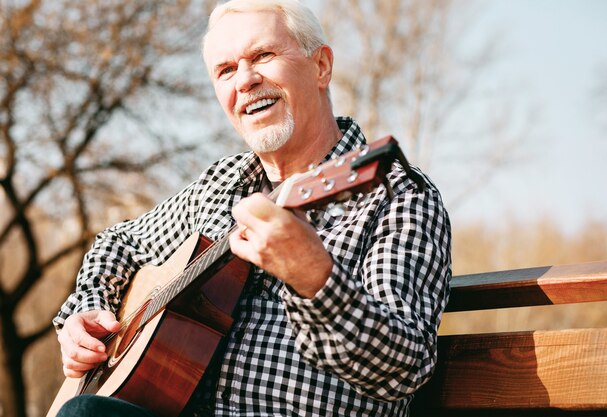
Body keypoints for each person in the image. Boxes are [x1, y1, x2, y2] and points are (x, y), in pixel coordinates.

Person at [53, 0, 452, 416]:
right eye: (226, 70)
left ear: (321, 66)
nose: (245, 80)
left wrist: (316, 280)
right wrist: (87, 310)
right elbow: (118, 242)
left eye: (263, 55)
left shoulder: (399, 195)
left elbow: (402, 369)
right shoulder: (219, 185)